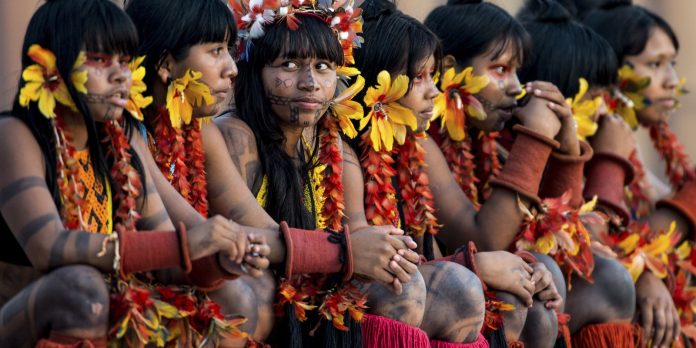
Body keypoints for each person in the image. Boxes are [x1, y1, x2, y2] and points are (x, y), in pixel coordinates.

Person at [0, 0, 270, 346]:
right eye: (99, 60)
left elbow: (167, 261)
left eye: (125, 61)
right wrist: (186, 243)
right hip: (22, 318)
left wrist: (223, 258)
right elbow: (48, 247)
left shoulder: (121, 136)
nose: (119, 75)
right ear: (49, 67)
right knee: (80, 288)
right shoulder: (15, 134)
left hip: (105, 304)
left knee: (231, 295)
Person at [343, 1, 563, 347]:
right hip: (364, 301)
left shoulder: (416, 142)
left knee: (535, 288)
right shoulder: (349, 150)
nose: (518, 88)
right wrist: (535, 141)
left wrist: (570, 152)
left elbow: (510, 237)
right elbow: (485, 238)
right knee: (459, 288)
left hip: (428, 283)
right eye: (501, 68)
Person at [215, 1, 429, 346]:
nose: (310, 82)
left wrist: (393, 253)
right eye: (289, 64)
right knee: (251, 289)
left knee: (421, 286)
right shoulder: (235, 136)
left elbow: (359, 233)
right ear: (254, 71)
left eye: (324, 66)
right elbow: (255, 239)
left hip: (318, 292)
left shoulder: (336, 149)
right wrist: (346, 250)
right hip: (258, 288)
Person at [516, 1, 644, 346]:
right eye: (598, 95)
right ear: (559, 93)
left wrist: (571, 149)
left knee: (614, 279)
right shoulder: (509, 144)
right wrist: (608, 162)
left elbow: (585, 243)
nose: (606, 108)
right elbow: (581, 242)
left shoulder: (601, 134)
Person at [581, 1, 696, 346]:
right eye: (655, 64)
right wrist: (642, 273)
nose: (672, 81)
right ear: (614, 72)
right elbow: (598, 234)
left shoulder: (628, 137)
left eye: (672, 64)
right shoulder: (593, 132)